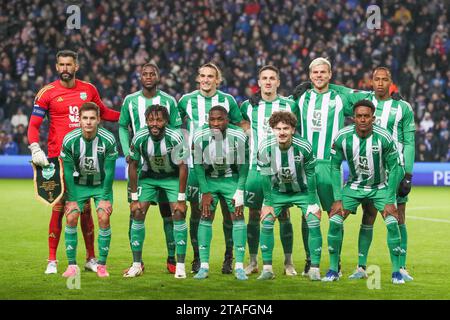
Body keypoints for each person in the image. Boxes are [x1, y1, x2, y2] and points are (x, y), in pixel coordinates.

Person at [27, 49, 120, 274]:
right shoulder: (46, 92)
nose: (65, 69)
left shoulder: (89, 90)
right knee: (59, 209)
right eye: (62, 65)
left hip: (85, 158)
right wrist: (34, 147)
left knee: (85, 209)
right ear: (57, 67)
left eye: (69, 65)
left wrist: (128, 114)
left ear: (76, 66)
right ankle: (52, 260)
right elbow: (33, 125)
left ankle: (90, 258)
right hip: (57, 160)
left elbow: (104, 113)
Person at [330, 67, 415, 281]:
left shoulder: (402, 107)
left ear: (390, 82)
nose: (379, 83)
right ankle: (361, 266)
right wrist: (318, 85)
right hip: (366, 172)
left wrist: (408, 173)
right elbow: (341, 90)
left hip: (395, 170)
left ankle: (401, 267)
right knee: (368, 216)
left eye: (384, 80)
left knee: (398, 216)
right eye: (376, 79)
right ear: (371, 82)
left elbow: (409, 141)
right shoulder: (364, 99)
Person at [178, 62, 249, 274]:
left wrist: (249, 138)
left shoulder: (227, 100)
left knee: (231, 213)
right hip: (195, 165)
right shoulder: (185, 100)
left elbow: (239, 124)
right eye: (203, 76)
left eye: (211, 76)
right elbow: (173, 123)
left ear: (217, 79)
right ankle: (198, 259)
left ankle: (229, 258)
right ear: (197, 78)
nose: (206, 79)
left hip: (225, 167)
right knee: (197, 212)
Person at [322, 99, 404, 284]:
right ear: (353, 118)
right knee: (335, 220)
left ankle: (396, 272)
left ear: (373, 118)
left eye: (366, 116)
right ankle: (333, 270)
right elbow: (334, 167)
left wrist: (390, 200)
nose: (363, 119)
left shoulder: (384, 137)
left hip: (380, 188)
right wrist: (337, 199)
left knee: (392, 223)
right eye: (359, 116)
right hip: (353, 187)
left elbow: (396, 169)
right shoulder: (342, 137)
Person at [290, 57, 353, 278]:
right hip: (306, 166)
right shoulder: (300, 98)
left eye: (323, 72)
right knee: (308, 216)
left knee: (335, 214)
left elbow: (367, 99)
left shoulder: (340, 98)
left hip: (331, 165)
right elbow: (277, 106)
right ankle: (311, 260)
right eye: (315, 73)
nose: (319, 76)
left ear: (330, 75)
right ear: (309, 76)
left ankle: (336, 263)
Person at [119, 62, 182, 275]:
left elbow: (175, 128)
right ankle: (137, 261)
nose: (148, 77)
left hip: (165, 165)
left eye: (152, 73)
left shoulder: (168, 101)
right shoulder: (130, 100)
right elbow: (122, 126)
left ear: (158, 76)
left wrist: (171, 152)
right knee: (135, 210)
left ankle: (172, 258)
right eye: (144, 73)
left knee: (168, 211)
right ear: (139, 76)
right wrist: (128, 149)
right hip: (140, 165)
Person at [240, 65, 297, 276]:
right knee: (254, 214)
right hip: (256, 169)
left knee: (283, 213)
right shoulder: (248, 105)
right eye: (264, 78)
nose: (268, 82)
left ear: (278, 82)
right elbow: (238, 121)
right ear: (259, 82)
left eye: (272, 78)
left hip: (281, 169)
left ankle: (288, 262)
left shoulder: (289, 104)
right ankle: (253, 261)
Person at [124, 104, 188, 279]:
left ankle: (180, 265)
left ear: (166, 121)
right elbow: (133, 165)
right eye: (151, 120)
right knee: (137, 211)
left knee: (178, 213)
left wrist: (181, 199)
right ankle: (137, 264)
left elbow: (183, 168)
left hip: (171, 177)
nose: (155, 123)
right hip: (149, 176)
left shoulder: (175, 137)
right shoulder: (140, 137)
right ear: (146, 121)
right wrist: (134, 198)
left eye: (159, 120)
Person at [257, 111, 322, 280]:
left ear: (293, 130)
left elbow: (312, 175)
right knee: (267, 221)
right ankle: (267, 269)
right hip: (277, 192)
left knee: (314, 221)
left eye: (286, 128)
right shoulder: (265, 148)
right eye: (278, 128)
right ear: (272, 130)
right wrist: (268, 203)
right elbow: (264, 177)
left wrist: (313, 201)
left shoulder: (304, 146)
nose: (282, 132)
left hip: (302, 191)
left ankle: (314, 269)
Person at [60, 102, 118, 278]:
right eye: (85, 118)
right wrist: (70, 198)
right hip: (78, 185)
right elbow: (68, 173)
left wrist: (106, 197)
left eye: (92, 118)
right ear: (79, 120)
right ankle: (72, 266)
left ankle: (101, 265)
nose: (88, 122)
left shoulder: (108, 139)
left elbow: (109, 172)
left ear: (99, 120)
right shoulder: (70, 140)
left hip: (101, 185)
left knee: (103, 217)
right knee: (70, 217)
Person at [192, 106, 249, 280]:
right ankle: (204, 266)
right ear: (208, 120)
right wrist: (205, 191)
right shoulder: (200, 136)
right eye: (212, 119)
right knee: (205, 215)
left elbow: (244, 166)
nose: (215, 123)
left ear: (227, 119)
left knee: (237, 216)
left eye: (220, 119)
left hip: (231, 179)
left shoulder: (239, 136)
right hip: (210, 180)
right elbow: (198, 165)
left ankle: (239, 266)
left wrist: (239, 190)